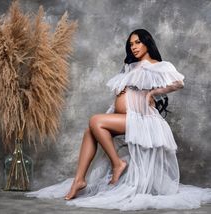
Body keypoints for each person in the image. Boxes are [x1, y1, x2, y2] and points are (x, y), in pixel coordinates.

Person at [25, 29, 211, 211]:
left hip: (143, 120)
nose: (134, 47)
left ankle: (117, 163)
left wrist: (154, 92)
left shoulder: (158, 65)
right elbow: (124, 91)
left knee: (95, 120)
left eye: (138, 42)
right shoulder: (129, 66)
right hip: (126, 117)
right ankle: (79, 180)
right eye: (131, 44)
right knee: (90, 130)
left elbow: (179, 83)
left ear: (147, 42)